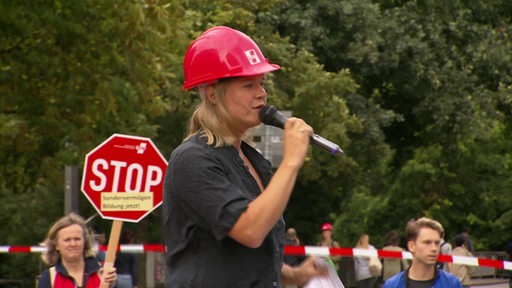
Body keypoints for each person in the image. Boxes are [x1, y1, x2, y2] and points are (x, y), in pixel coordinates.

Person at [162, 25, 326, 288]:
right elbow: (250, 230)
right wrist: (292, 160)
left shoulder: (251, 159)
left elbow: (240, 256)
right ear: (213, 93)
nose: (261, 94)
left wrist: (291, 275)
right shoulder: (192, 160)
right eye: (248, 85)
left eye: (261, 83)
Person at [37, 213, 117, 288]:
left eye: (77, 239)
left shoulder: (102, 274)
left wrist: (111, 285)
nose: (73, 244)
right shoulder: (49, 277)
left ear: (85, 241)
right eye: (67, 240)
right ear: (56, 245)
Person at [382, 217, 462, 288]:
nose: (434, 248)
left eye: (437, 243)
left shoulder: (451, 284)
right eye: (427, 242)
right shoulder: (392, 285)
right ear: (411, 246)